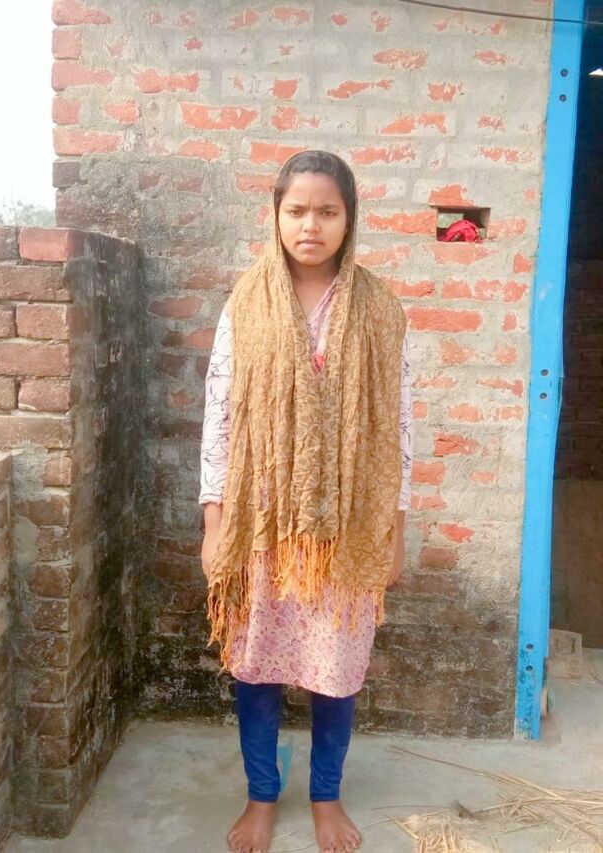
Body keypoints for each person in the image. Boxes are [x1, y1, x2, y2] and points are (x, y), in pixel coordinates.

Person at [199, 150, 413, 853]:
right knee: (255, 661)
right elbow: (219, 417)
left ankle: (326, 795)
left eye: (327, 211)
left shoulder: (380, 309)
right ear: (276, 215)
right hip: (262, 518)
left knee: (337, 665)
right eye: (296, 211)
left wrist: (395, 528)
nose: (310, 226)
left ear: (350, 219)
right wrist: (214, 521)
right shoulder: (246, 302)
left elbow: (399, 425)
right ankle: (261, 794)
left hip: (347, 522)